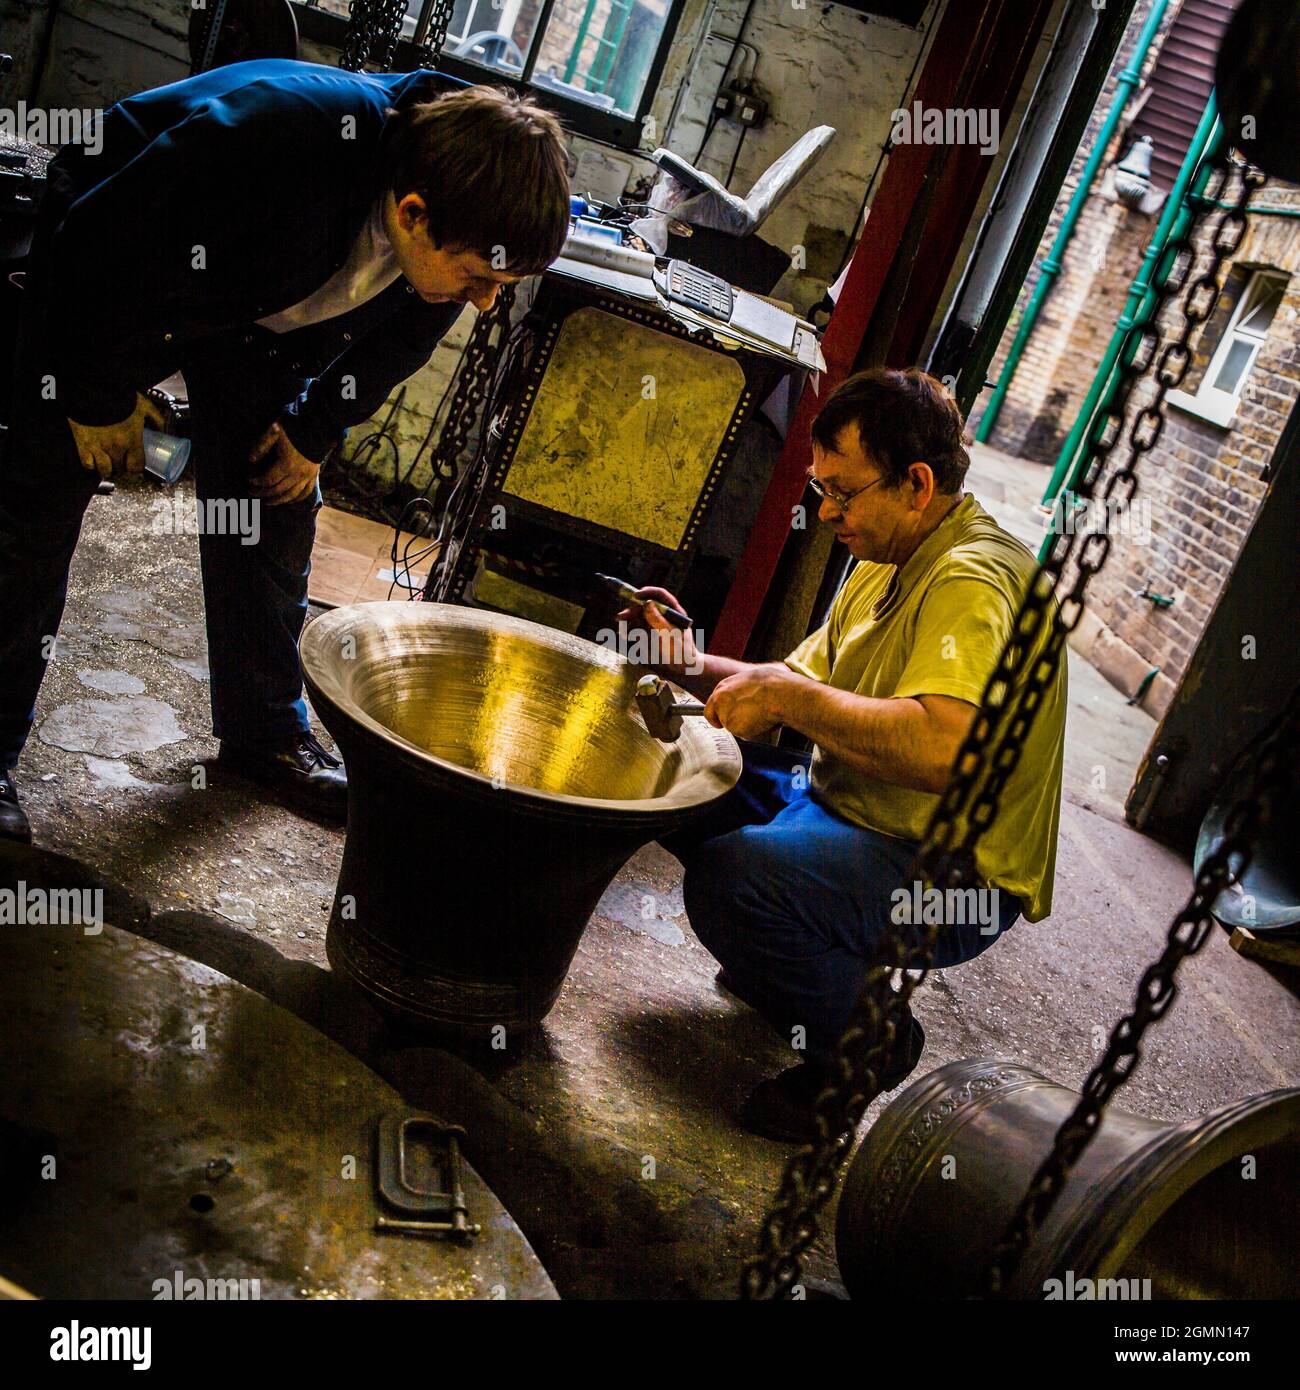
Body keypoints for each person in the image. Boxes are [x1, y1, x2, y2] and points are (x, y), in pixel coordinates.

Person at [0, 59, 571, 843]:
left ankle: (266, 737)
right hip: (100, 279)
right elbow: (98, 233)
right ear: (411, 213)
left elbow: (402, 337)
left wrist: (311, 434)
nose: (484, 301)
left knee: (272, 501)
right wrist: (92, 391)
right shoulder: (284, 136)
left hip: (249, 319)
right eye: (477, 278)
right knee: (34, 507)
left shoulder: (456, 224)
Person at [628, 367, 1068, 1142]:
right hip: (849, 804)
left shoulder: (974, 580)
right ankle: (794, 975)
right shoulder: (881, 556)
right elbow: (791, 683)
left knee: (735, 880)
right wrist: (688, 663)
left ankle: (868, 1046)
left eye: (844, 491)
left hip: (949, 868)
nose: (826, 510)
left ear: (917, 483)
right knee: (675, 770)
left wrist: (789, 703)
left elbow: (945, 749)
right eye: (819, 488)